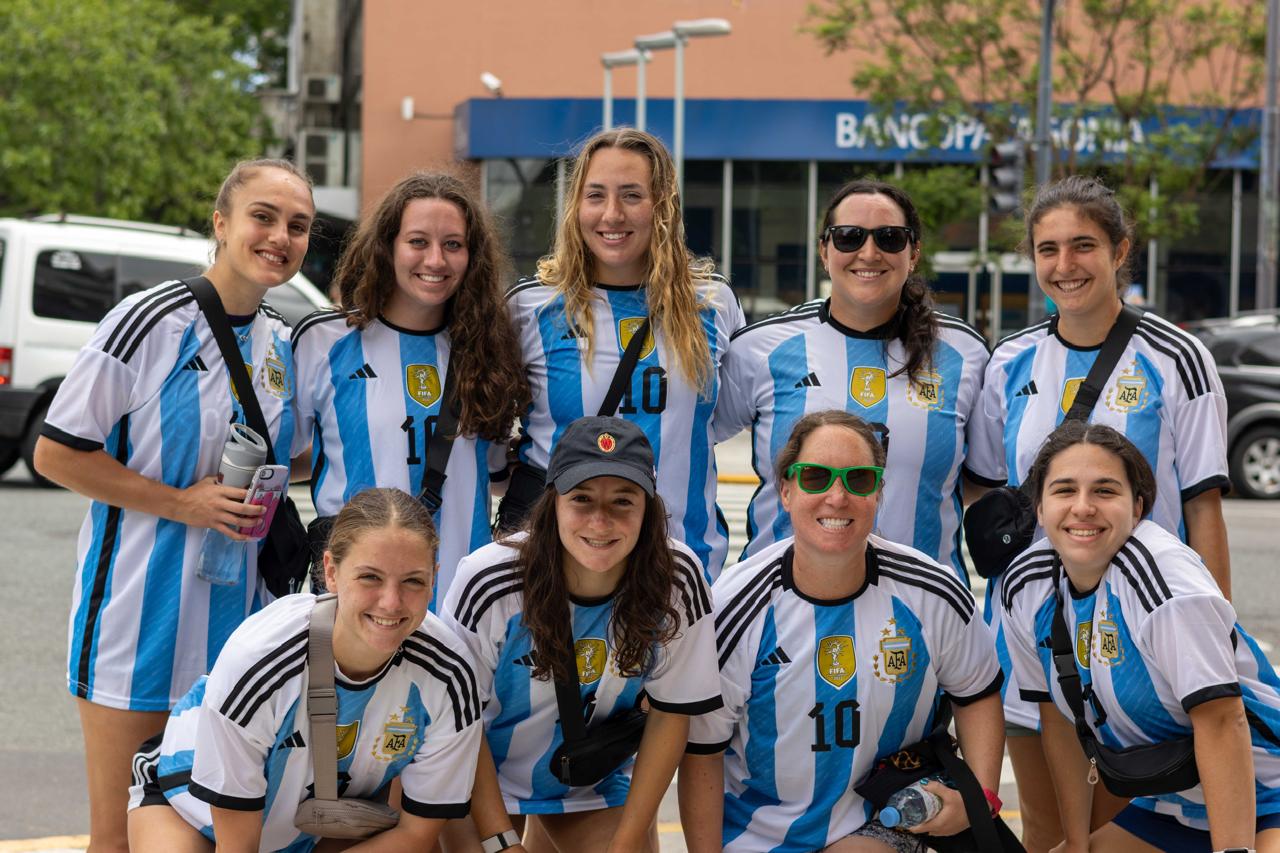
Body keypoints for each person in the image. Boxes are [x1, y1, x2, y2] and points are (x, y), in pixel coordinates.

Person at [33, 158, 315, 853]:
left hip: (237, 632)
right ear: (221, 224)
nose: (281, 235)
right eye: (264, 216)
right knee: (119, 837)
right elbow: (57, 452)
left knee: (210, 833)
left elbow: (296, 454)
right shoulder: (148, 319)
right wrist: (180, 502)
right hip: (135, 621)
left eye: (299, 225)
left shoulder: (283, 341)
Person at [966, 175, 1231, 852]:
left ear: (1121, 250)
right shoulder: (1010, 361)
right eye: (1047, 248)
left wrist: (1215, 635)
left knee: (1147, 825)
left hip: (1140, 647)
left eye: (1083, 244)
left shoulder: (1177, 357)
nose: (1064, 265)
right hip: (1032, 636)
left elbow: (1203, 506)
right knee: (1054, 831)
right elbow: (988, 493)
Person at [681, 410, 1005, 853]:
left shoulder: (933, 593)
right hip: (755, 834)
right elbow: (703, 752)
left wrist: (980, 799)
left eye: (859, 479)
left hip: (878, 825)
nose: (837, 496)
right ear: (787, 490)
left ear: (878, 492)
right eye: (815, 477)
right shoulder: (733, 606)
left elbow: (976, 692)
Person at [126, 487, 483, 851]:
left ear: (434, 577)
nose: (391, 602)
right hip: (188, 806)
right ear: (330, 571)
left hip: (311, 830)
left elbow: (415, 835)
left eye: (413, 581)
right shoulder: (262, 659)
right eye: (370, 577)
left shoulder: (449, 675)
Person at [441, 415, 721, 852]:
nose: (600, 521)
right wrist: (502, 844)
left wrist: (625, 844)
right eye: (582, 499)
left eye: (623, 501)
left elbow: (671, 716)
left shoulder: (677, 576)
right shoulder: (489, 579)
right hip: (476, 773)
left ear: (649, 507)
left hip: (590, 775)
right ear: (552, 502)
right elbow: (457, 724)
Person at [1002, 421, 1280, 852]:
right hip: (1175, 804)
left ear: (1138, 506)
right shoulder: (1025, 585)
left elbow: (1224, 721)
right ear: (1039, 508)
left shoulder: (1165, 580)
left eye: (1105, 491)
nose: (1083, 507)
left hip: (1267, 792)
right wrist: (1076, 842)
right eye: (1063, 490)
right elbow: (1058, 719)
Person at [715, 179, 990, 581]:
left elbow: (983, 482)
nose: (868, 252)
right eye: (849, 237)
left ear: (914, 253)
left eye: (890, 238)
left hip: (926, 614)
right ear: (824, 251)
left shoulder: (966, 355)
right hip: (779, 608)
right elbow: (691, 445)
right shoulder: (759, 349)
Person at [503, 128, 744, 577]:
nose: (612, 214)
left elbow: (719, 420)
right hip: (556, 568)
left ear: (663, 206)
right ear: (576, 206)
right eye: (596, 195)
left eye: (632, 195)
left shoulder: (712, 303)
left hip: (680, 564)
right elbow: (490, 429)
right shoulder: (530, 306)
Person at [292, 171, 529, 605]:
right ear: (387, 247)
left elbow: (495, 473)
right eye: (418, 242)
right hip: (355, 600)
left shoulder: (488, 349)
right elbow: (282, 458)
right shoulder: (322, 342)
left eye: (453, 244)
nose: (435, 260)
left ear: (472, 256)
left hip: (463, 601)